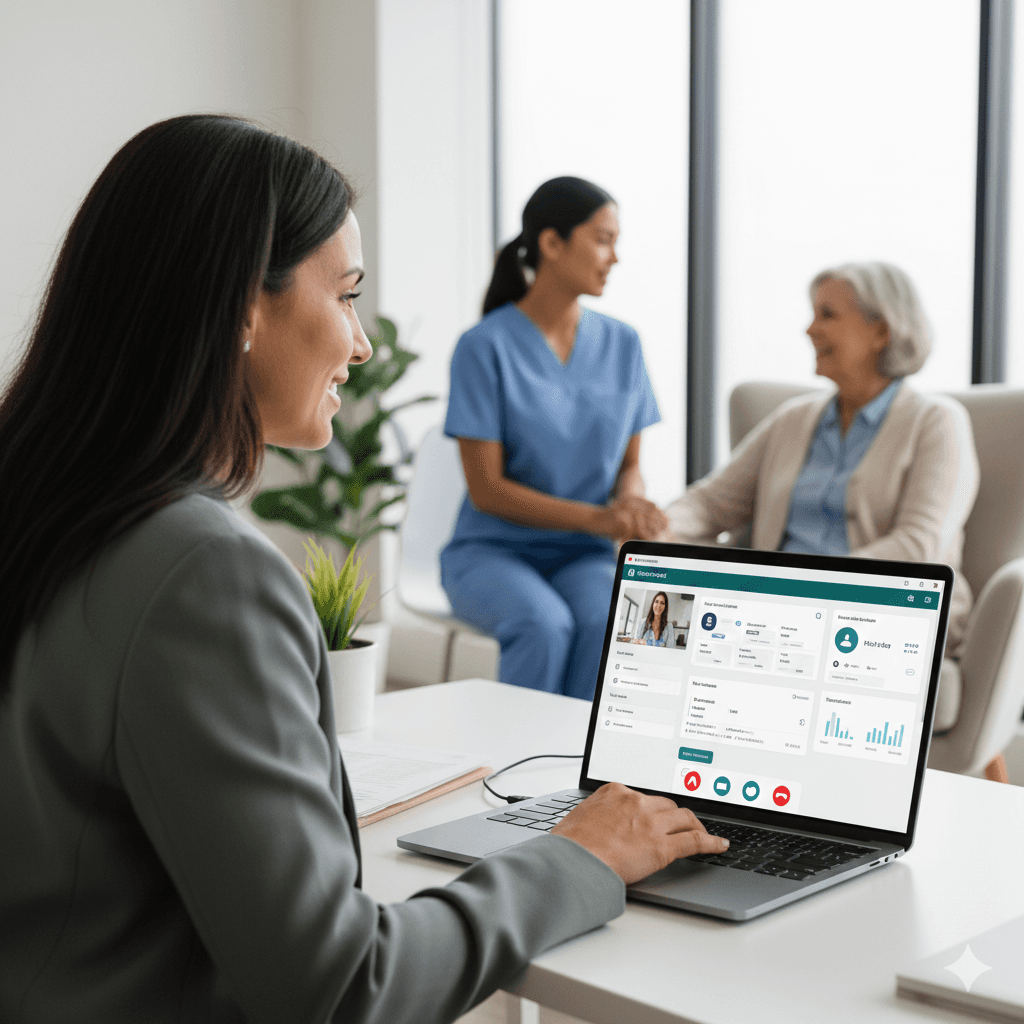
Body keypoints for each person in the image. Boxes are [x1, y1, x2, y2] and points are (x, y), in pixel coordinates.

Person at [0, 115, 728, 1024]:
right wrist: (577, 857)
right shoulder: (203, 574)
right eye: (345, 295)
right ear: (242, 307)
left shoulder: (46, 510)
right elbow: (343, 986)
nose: (361, 343)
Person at [664, 262, 979, 657]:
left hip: (877, 609)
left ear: (880, 331)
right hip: (781, 607)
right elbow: (711, 503)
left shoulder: (937, 422)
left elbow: (918, 548)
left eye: (827, 315)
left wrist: (807, 589)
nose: (810, 329)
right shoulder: (794, 419)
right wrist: (658, 527)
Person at [441, 177, 667, 700]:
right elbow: (487, 491)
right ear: (551, 243)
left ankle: (582, 776)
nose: (615, 257)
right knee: (543, 626)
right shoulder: (483, 347)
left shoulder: (623, 344)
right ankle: (513, 773)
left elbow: (629, 465)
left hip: (582, 555)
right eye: (603, 239)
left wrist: (631, 503)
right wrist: (600, 519)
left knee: (607, 623)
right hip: (491, 551)